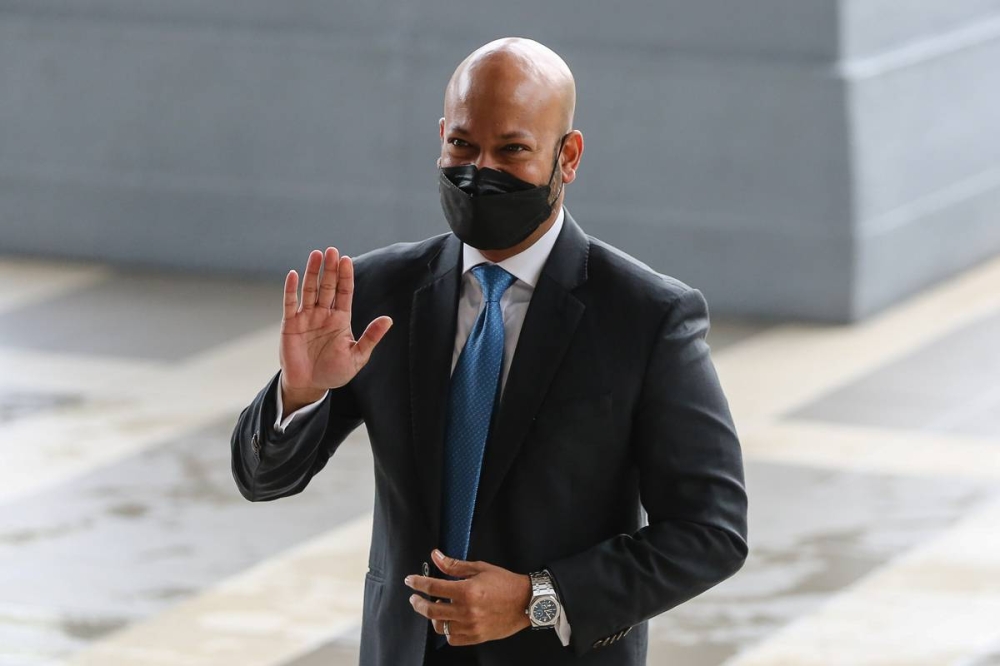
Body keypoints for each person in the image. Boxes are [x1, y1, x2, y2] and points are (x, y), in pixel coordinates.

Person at [231, 37, 748, 666]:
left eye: (513, 150)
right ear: (441, 135)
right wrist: (301, 393)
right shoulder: (375, 294)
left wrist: (539, 598)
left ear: (569, 156)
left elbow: (711, 532)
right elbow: (261, 480)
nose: (481, 170)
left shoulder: (646, 318)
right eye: (462, 145)